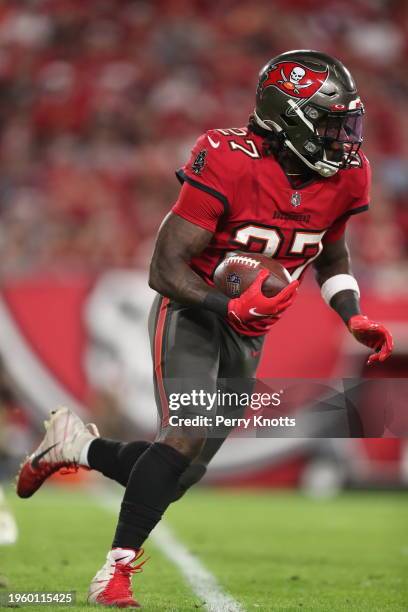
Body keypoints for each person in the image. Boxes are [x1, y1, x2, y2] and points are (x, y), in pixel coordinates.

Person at [17, 50, 393, 608]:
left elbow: (331, 259)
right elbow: (163, 269)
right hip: (192, 307)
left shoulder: (345, 176)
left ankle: (75, 447)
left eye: (346, 122)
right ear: (289, 117)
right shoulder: (227, 157)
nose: (344, 137)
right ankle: (114, 572)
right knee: (185, 433)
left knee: (183, 471)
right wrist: (227, 306)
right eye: (332, 122)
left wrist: (354, 314)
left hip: (249, 327)